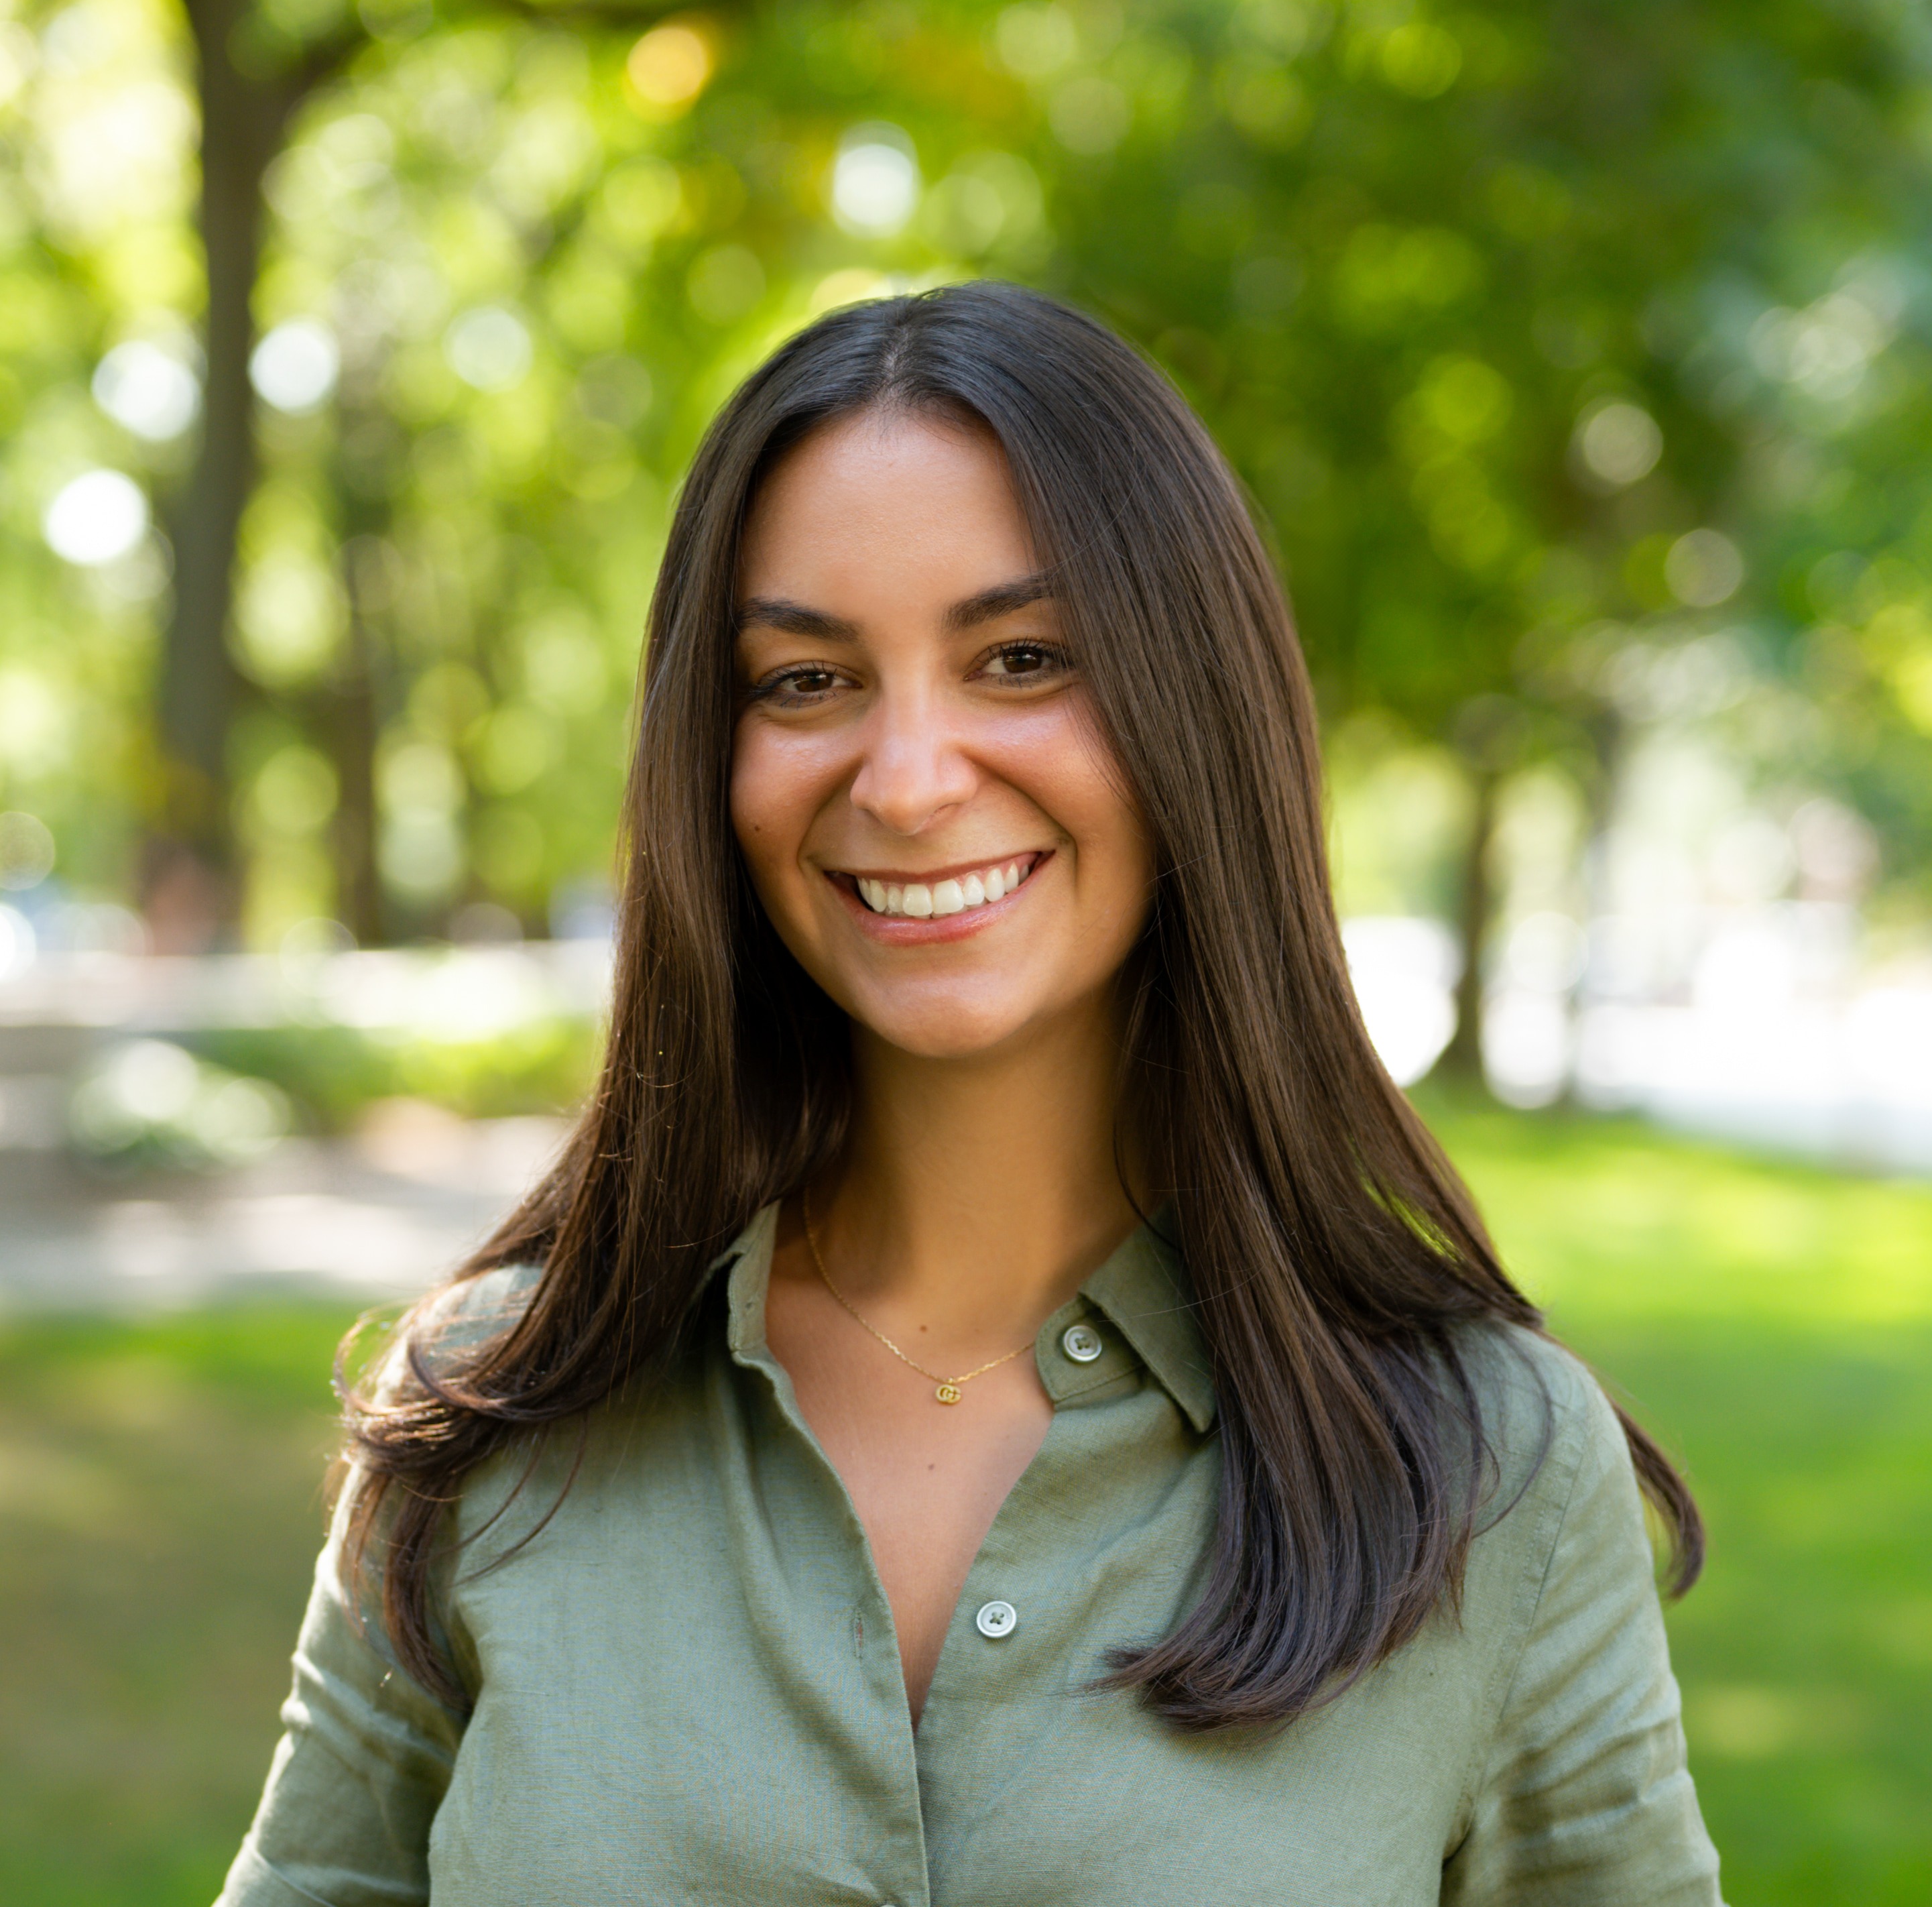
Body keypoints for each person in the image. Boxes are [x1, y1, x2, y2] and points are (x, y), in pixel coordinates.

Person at [219, 283, 1722, 1906]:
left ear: (1191, 711)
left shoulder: (1492, 1470)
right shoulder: (488, 1433)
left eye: (1021, 658)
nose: (910, 778)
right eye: (804, 681)